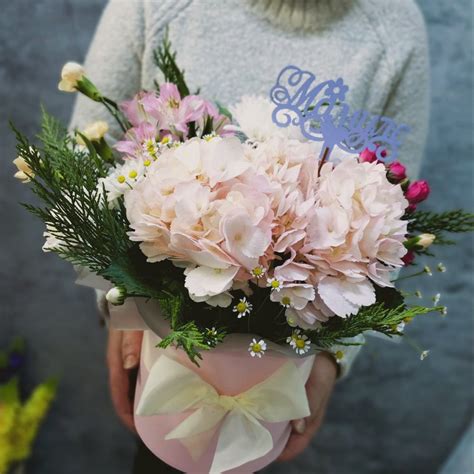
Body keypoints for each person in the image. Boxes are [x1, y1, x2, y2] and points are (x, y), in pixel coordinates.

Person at [70, 0, 429, 471]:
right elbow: (82, 172)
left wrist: (333, 358)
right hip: (164, 339)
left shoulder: (396, 29)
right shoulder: (156, 7)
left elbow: (394, 223)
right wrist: (120, 305)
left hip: (285, 362)